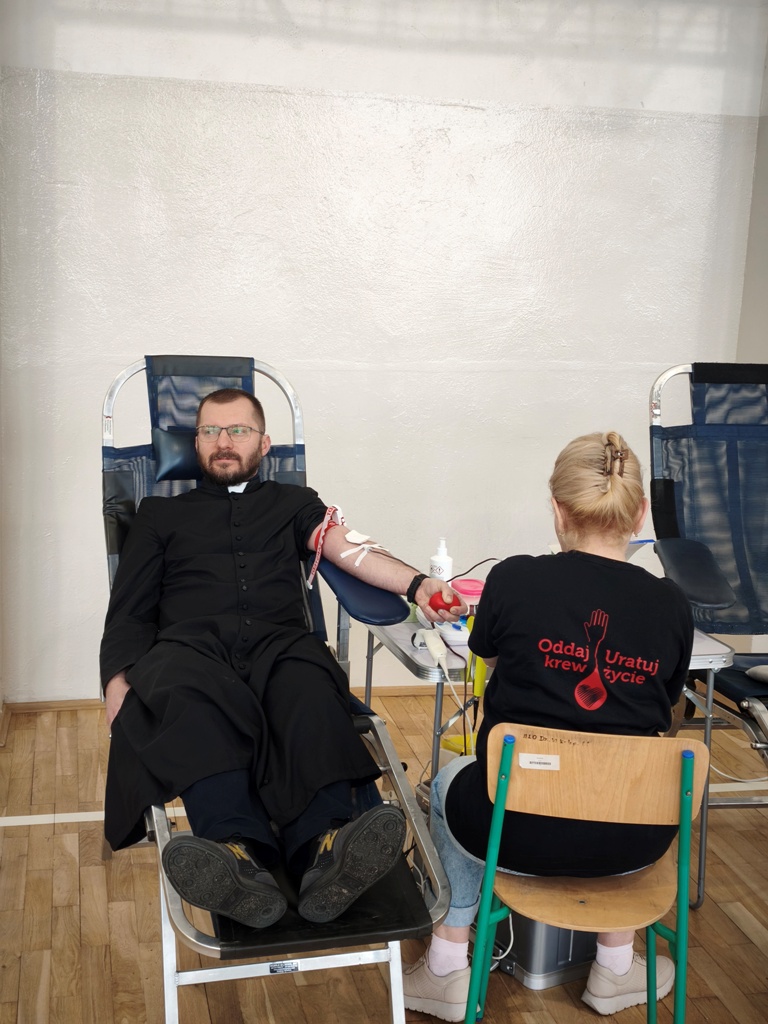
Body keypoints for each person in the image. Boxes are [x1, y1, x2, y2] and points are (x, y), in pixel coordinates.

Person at [101, 387, 465, 929]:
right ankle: (235, 858)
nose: (224, 442)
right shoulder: (159, 515)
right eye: (210, 431)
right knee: (189, 699)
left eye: (238, 430)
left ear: (265, 443)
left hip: (280, 644)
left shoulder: (294, 503)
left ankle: (327, 853)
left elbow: (347, 548)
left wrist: (418, 584)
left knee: (309, 686)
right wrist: (117, 688)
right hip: (190, 650)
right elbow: (129, 609)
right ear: (195, 443)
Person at [402, 431, 694, 1021]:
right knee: (629, 774)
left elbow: (486, 652)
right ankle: (616, 968)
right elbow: (664, 705)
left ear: (557, 511)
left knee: (453, 778)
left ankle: (446, 969)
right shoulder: (672, 604)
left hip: (517, 832)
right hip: (633, 842)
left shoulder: (515, 579)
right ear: (639, 513)